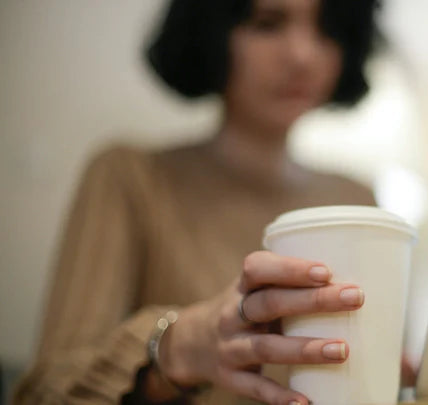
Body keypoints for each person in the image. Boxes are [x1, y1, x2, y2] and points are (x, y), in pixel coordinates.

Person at [13, 0, 402, 404]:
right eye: (267, 23)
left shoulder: (358, 199)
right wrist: (177, 348)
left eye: (329, 28)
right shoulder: (130, 178)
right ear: (210, 33)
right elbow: (45, 393)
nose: (302, 55)